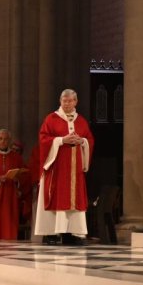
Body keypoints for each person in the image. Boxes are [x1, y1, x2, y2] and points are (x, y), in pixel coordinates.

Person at [34, 89, 95, 245]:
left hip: (75, 171)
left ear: (76, 102)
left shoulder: (81, 121)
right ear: (60, 101)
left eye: (70, 101)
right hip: (57, 169)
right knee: (57, 197)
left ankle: (73, 233)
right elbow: (43, 139)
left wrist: (82, 142)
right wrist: (61, 140)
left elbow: (89, 139)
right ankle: (52, 234)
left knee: (75, 200)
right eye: (64, 101)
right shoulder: (51, 119)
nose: (67, 104)